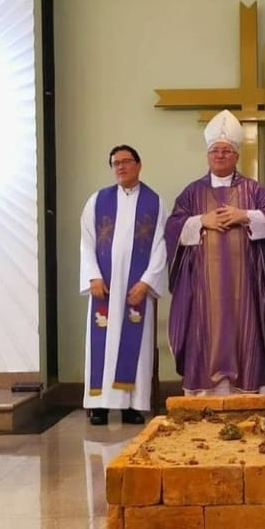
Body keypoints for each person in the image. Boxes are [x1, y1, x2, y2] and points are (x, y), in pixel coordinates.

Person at [165, 109, 265, 395]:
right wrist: (201, 221)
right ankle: (202, 397)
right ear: (207, 155)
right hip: (202, 289)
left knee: (246, 332)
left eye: (226, 151)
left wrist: (244, 215)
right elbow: (172, 227)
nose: (219, 155)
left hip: (245, 286)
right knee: (204, 333)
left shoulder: (253, 190)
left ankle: (248, 394)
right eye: (215, 151)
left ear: (236, 155)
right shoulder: (192, 192)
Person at [80, 144, 168, 426]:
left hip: (136, 290)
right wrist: (93, 275)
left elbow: (161, 246)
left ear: (139, 165)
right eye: (115, 163)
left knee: (136, 346)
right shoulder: (98, 201)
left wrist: (147, 282)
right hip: (104, 287)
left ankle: (133, 405)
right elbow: (87, 242)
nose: (120, 167)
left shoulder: (154, 203)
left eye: (126, 161)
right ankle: (99, 405)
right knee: (102, 344)